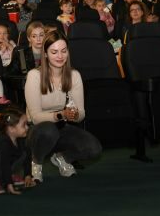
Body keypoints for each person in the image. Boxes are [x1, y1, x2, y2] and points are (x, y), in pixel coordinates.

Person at [24, 30, 102, 182]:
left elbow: (82, 114)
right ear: (45, 54)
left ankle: (62, 158)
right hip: (37, 130)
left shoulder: (74, 75)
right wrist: (62, 114)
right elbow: (35, 117)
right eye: (54, 52)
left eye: (63, 51)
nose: (60, 56)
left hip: (60, 126)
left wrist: (74, 114)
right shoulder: (34, 75)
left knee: (94, 149)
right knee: (48, 129)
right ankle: (36, 162)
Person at [0, 108, 36, 195]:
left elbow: (27, 157)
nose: (27, 127)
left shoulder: (21, 139)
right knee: (1, 155)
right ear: (11, 129)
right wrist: (9, 185)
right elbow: (4, 163)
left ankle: (8, 176)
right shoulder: (3, 142)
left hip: (5, 167)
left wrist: (28, 175)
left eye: (27, 124)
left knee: (24, 152)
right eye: (24, 125)